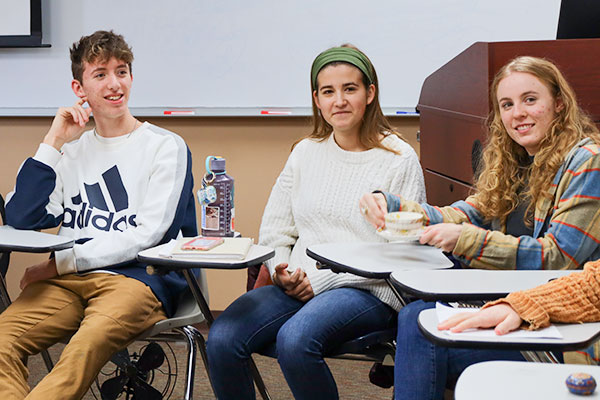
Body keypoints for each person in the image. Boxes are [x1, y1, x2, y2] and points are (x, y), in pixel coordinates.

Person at [361, 55, 600, 399]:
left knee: (419, 329)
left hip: (563, 331)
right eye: (507, 104)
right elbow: (462, 214)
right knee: (415, 319)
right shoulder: (514, 161)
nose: (517, 113)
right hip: (514, 309)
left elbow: (557, 257)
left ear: (559, 105)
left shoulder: (587, 162)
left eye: (530, 100)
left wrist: (469, 241)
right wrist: (391, 205)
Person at [206, 45, 425, 399]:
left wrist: (319, 281)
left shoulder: (399, 158)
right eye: (328, 91)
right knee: (221, 338)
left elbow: (402, 253)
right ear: (317, 99)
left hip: (368, 289)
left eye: (350, 89)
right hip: (298, 281)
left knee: (295, 341)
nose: (339, 100)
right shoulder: (305, 152)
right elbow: (276, 231)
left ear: (370, 94)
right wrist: (281, 269)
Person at [1, 30, 196, 399]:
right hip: (69, 283)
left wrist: (60, 264)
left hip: (138, 280)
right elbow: (21, 217)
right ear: (79, 88)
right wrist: (53, 141)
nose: (114, 84)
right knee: (2, 339)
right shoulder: (71, 152)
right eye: (101, 74)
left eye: (122, 72)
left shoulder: (165, 147)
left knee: (81, 349)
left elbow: (149, 234)